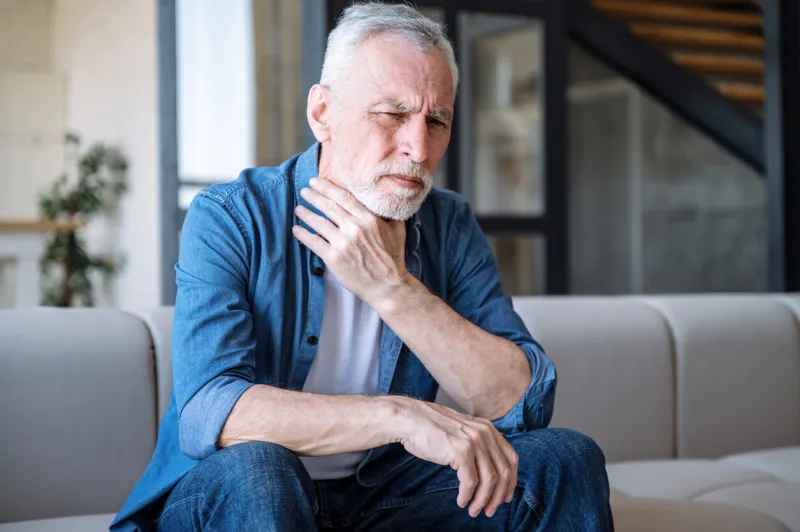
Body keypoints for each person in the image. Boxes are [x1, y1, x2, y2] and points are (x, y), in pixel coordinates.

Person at [111, 3, 613, 531]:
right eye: (392, 114)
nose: (418, 148)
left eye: (436, 120)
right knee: (260, 469)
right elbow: (211, 411)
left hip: (384, 498)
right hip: (239, 496)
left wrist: (391, 287)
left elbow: (523, 402)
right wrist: (400, 417)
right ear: (322, 113)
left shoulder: (449, 224)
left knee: (564, 459)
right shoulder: (232, 216)